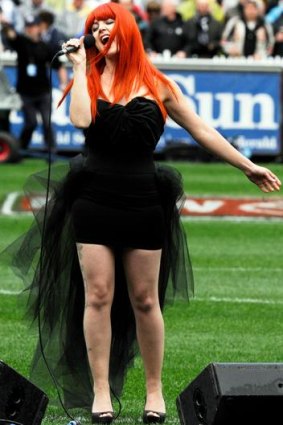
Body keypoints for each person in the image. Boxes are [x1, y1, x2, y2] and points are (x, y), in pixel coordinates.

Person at [3, 2, 281, 425]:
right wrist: (80, 68)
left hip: (144, 199)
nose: (101, 30)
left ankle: (155, 390)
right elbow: (80, 119)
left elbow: (202, 130)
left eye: (110, 23)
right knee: (97, 296)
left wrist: (247, 166)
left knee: (145, 299)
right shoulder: (88, 76)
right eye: (96, 25)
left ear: (128, 29)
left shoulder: (158, 84)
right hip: (93, 197)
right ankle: (101, 392)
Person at [3, 14, 68, 154]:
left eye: (33, 26)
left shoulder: (46, 46)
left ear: (39, 28)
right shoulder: (21, 42)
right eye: (28, 26)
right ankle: (20, 149)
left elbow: (59, 66)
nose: (30, 29)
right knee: (30, 123)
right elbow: (11, 35)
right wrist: (5, 22)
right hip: (26, 92)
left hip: (43, 91)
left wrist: (64, 84)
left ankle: (51, 152)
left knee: (47, 123)